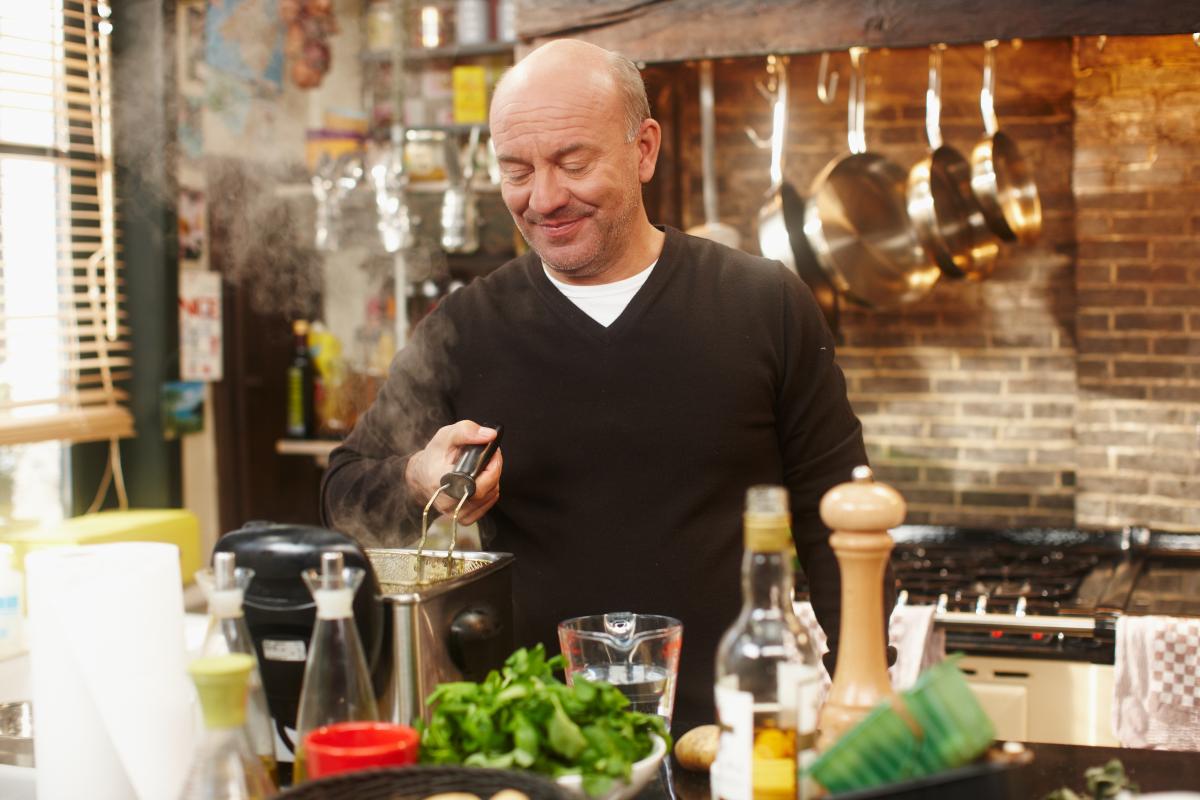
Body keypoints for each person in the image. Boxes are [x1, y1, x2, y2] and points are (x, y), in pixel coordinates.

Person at [321, 39, 876, 729]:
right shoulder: (465, 329)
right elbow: (343, 487)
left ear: (644, 149)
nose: (544, 198)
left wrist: (865, 691)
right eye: (516, 170)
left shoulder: (764, 304)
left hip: (733, 735)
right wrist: (414, 476)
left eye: (572, 163)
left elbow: (841, 518)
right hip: (540, 741)